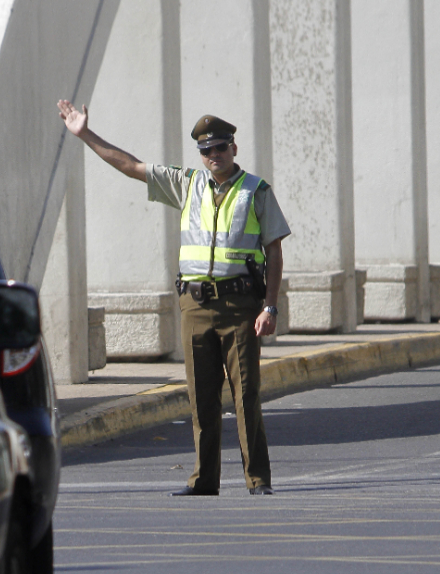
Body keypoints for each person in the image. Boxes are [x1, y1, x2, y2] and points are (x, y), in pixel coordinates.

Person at [57, 100, 290, 496]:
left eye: (219, 148)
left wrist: (269, 306)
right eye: (205, 150)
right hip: (195, 306)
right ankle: (204, 479)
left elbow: (274, 251)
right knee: (201, 396)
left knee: (246, 392)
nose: (213, 156)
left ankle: (258, 478)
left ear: (234, 148)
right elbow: (131, 166)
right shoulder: (187, 183)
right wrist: (85, 134)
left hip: (240, 307)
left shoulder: (256, 191)